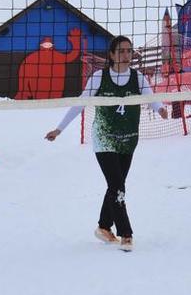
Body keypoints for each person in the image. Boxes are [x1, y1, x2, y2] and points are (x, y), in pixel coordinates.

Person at [45, 36, 168, 252]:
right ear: (111, 54)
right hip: (104, 138)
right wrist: (59, 129)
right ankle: (126, 234)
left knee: (115, 185)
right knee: (118, 186)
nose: (126, 55)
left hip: (128, 139)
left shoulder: (137, 78)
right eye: (121, 51)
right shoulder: (98, 78)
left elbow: (151, 98)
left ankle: (103, 227)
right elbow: (80, 104)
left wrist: (160, 109)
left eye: (129, 51)